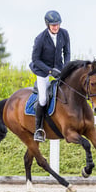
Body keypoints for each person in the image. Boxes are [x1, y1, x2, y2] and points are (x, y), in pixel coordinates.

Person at [29, 10, 71, 142]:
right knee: (42, 99)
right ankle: (39, 129)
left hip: (59, 68)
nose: (56, 27)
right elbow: (35, 59)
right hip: (42, 71)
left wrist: (65, 68)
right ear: (47, 25)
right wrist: (50, 71)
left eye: (57, 24)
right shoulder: (40, 38)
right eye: (53, 25)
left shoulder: (64, 34)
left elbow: (67, 52)